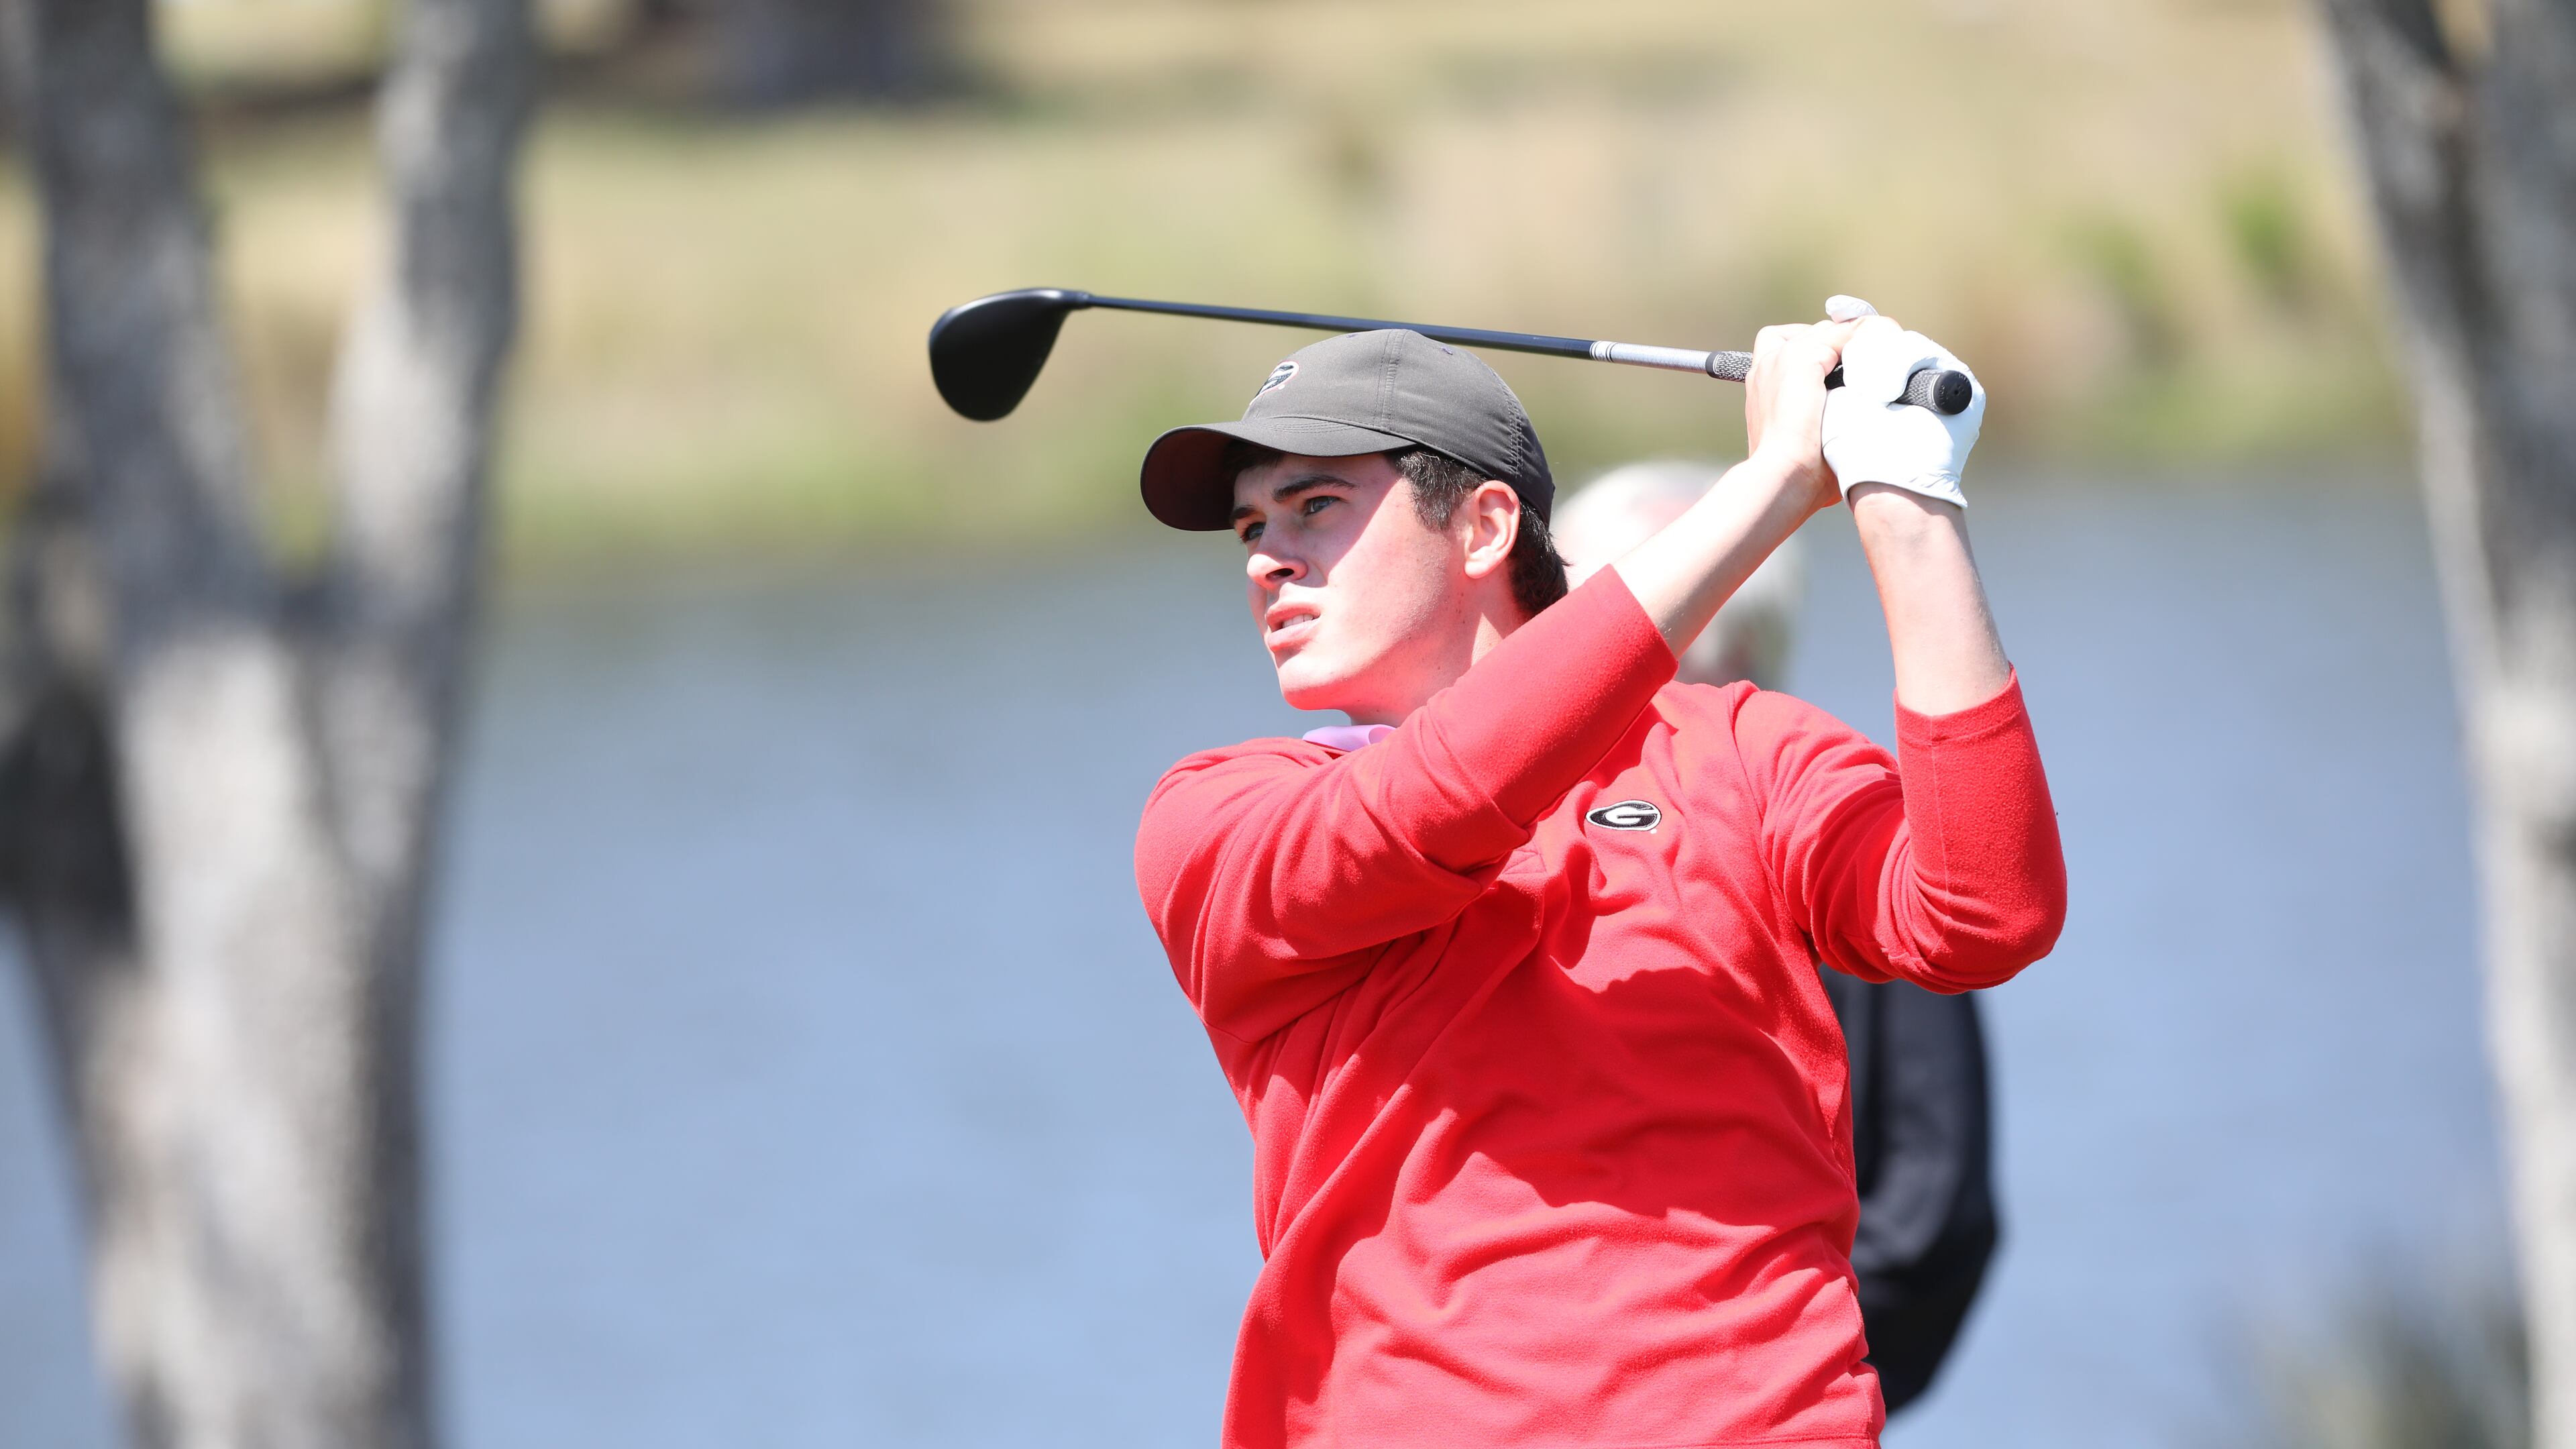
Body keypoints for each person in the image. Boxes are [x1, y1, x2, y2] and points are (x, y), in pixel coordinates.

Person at [1131, 299, 2065, 1448]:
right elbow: (1443, 797)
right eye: (1249, 530)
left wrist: (1906, 495)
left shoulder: (1746, 750)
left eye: (1316, 506)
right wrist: (1772, 482)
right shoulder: (1221, 818)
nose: (1271, 559)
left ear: (1482, 529)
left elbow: (1985, 911)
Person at [1554, 463, 2002, 1415]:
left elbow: (1934, 1205)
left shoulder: (1848, 848)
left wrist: (1762, 1372)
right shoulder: (1510, 844)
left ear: (1742, 640)